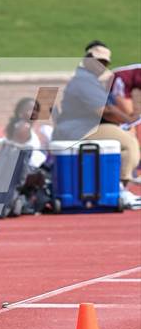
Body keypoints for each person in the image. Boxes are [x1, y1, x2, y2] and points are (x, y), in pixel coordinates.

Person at [53, 41, 140, 208]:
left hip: (82, 127)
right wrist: (129, 121)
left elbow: (109, 109)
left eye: (105, 62)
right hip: (79, 129)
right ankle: (119, 189)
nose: (102, 65)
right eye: (98, 61)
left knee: (126, 137)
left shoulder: (89, 80)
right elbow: (105, 111)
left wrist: (127, 121)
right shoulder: (84, 81)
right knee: (129, 144)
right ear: (87, 59)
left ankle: (115, 185)